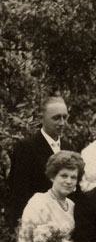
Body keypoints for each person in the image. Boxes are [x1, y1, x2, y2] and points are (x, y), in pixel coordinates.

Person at [7, 96, 75, 228]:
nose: (62, 123)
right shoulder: (25, 147)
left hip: (65, 221)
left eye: (65, 117)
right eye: (56, 118)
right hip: (37, 222)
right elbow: (19, 192)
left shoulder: (69, 148)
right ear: (41, 117)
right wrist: (21, 228)